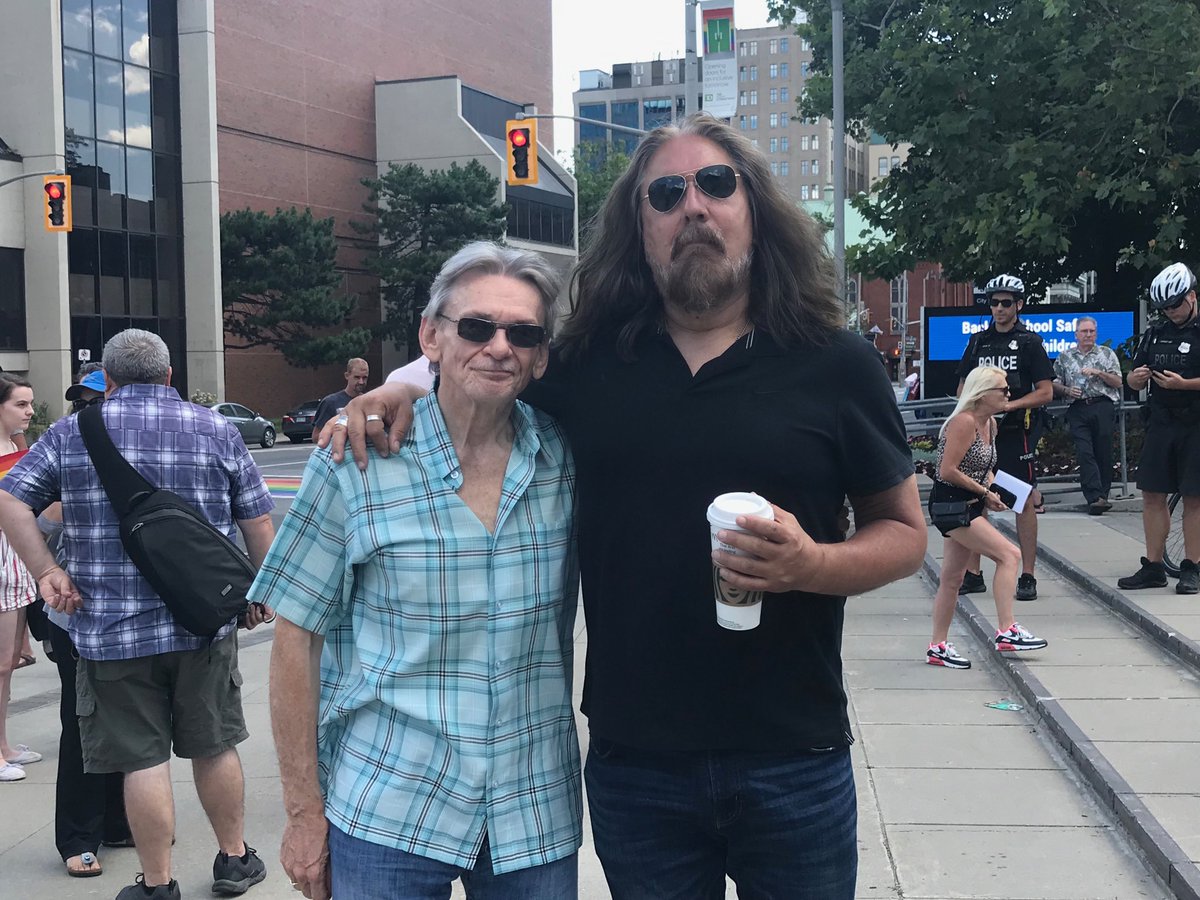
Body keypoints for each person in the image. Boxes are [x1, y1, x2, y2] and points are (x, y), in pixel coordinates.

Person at [324, 113, 927, 899]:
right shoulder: (589, 363)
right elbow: (484, 360)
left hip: (794, 757)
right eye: (665, 194)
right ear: (640, 228)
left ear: (754, 209)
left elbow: (906, 535)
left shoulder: (834, 361)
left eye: (716, 184)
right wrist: (396, 387)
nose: (693, 208)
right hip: (638, 770)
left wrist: (813, 564)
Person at [253, 243, 580, 900]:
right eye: (477, 327)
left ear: (542, 354)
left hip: (532, 808)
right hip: (389, 803)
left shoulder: (568, 457)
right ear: (432, 335)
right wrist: (303, 815)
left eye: (523, 333)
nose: (499, 347)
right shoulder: (355, 460)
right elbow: (296, 640)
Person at [0, 329, 277, 900]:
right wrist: (260, 592)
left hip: (109, 628)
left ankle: (157, 884)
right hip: (203, 624)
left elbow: (10, 498)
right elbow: (257, 523)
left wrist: (47, 571)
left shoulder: (72, 432)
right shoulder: (216, 429)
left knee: (141, 759)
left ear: (110, 379)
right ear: (169, 376)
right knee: (214, 744)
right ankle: (232, 860)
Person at [36, 364, 134, 877]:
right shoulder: (63, 450)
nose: (90, 409)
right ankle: (79, 833)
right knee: (81, 721)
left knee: (130, 722)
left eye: (98, 398)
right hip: (74, 612)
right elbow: (26, 520)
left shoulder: (146, 444)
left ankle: (119, 821)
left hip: (130, 610)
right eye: (83, 400)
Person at [926, 367, 1048, 669]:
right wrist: (984, 492)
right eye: (1002, 390)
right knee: (1009, 555)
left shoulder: (990, 423)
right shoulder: (963, 422)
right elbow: (947, 471)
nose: (1008, 395)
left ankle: (937, 645)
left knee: (952, 579)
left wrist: (998, 490)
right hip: (951, 506)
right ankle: (1007, 629)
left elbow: (985, 466)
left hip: (970, 504)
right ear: (982, 394)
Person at [955, 274, 1054, 601]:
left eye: (1006, 303)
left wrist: (1011, 404)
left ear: (1019, 305)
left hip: (1014, 434)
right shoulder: (978, 342)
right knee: (973, 498)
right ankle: (973, 572)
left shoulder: (1030, 343)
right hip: (978, 434)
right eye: (994, 302)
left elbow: (1045, 392)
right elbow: (961, 388)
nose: (998, 308)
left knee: (1021, 500)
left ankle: (1027, 575)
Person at [1119, 263, 1200, 594]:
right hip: (1161, 421)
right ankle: (1153, 566)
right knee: (1152, 494)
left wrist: (1186, 385)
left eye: (1176, 304)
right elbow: (1133, 374)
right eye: (1165, 307)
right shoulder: (1156, 332)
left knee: (1194, 497)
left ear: (1192, 296)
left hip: (1195, 423)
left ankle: (1192, 567)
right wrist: (1134, 379)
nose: (1171, 312)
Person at [0, 372, 40, 783]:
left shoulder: (17, 445)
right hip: (2, 557)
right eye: (21, 405)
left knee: (7, 665)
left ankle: (4, 745)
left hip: (14, 559)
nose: (29, 411)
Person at [1052, 316, 1123, 515]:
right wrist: (1066, 390)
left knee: (1103, 450)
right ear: (1076, 334)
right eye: (1084, 331)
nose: (1088, 335)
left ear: (1096, 333)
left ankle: (1103, 494)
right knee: (1085, 451)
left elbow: (1118, 382)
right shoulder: (1065, 356)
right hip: (1078, 407)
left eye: (1091, 331)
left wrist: (1099, 373)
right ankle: (1094, 497)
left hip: (1102, 405)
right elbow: (1053, 383)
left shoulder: (1106, 354)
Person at [311, 357, 370, 440]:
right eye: (357, 377)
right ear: (347, 376)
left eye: (364, 378)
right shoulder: (330, 402)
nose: (361, 382)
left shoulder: (369, 402)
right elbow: (316, 437)